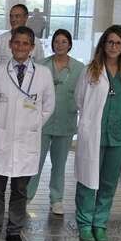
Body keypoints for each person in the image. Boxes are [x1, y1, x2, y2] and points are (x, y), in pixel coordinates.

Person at [0, 26, 54, 241]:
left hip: (26, 142)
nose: (20, 47)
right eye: (17, 42)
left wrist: (31, 125)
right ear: (10, 45)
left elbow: (48, 106)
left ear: (32, 47)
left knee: (20, 192)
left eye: (25, 43)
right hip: (2, 141)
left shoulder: (43, 74)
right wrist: (4, 124)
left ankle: (14, 232)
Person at [74, 25, 121, 241]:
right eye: (110, 42)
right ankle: (85, 223)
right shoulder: (90, 70)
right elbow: (79, 99)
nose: (113, 46)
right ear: (103, 44)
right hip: (95, 134)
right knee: (87, 180)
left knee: (108, 183)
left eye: (118, 43)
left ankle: (100, 224)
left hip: (119, 137)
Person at [26, 29, 85, 215]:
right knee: (35, 163)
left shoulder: (79, 68)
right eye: (57, 41)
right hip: (42, 122)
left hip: (66, 121)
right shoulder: (41, 65)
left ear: (70, 45)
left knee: (59, 165)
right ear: (52, 44)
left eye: (64, 42)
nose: (60, 45)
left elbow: (83, 94)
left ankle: (56, 199)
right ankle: (27, 197)